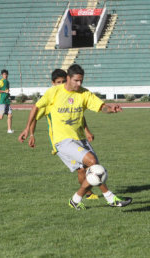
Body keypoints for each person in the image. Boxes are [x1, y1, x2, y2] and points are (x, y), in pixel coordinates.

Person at [18, 64, 132, 210]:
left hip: (79, 138)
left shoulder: (84, 94)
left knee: (93, 167)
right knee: (92, 162)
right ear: (68, 78)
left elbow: (101, 106)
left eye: (81, 81)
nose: (79, 84)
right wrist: (28, 129)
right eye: (76, 81)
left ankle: (75, 200)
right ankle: (111, 199)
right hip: (62, 141)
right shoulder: (54, 92)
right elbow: (36, 107)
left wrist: (111, 109)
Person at [29, 68, 98, 200]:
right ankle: (87, 194)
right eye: (58, 82)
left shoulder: (70, 95)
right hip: (60, 142)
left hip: (76, 138)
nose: (61, 84)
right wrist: (31, 135)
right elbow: (34, 118)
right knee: (81, 169)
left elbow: (79, 117)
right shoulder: (50, 100)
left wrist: (87, 130)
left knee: (85, 166)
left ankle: (87, 193)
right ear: (53, 83)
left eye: (63, 81)